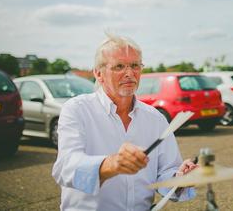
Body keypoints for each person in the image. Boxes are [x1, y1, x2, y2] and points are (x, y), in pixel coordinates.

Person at [52, 33, 197, 210]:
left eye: (135, 65)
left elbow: (165, 173)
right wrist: (111, 165)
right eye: (119, 66)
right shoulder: (77, 110)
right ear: (98, 73)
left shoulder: (155, 118)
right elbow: (66, 169)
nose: (129, 73)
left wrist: (180, 178)